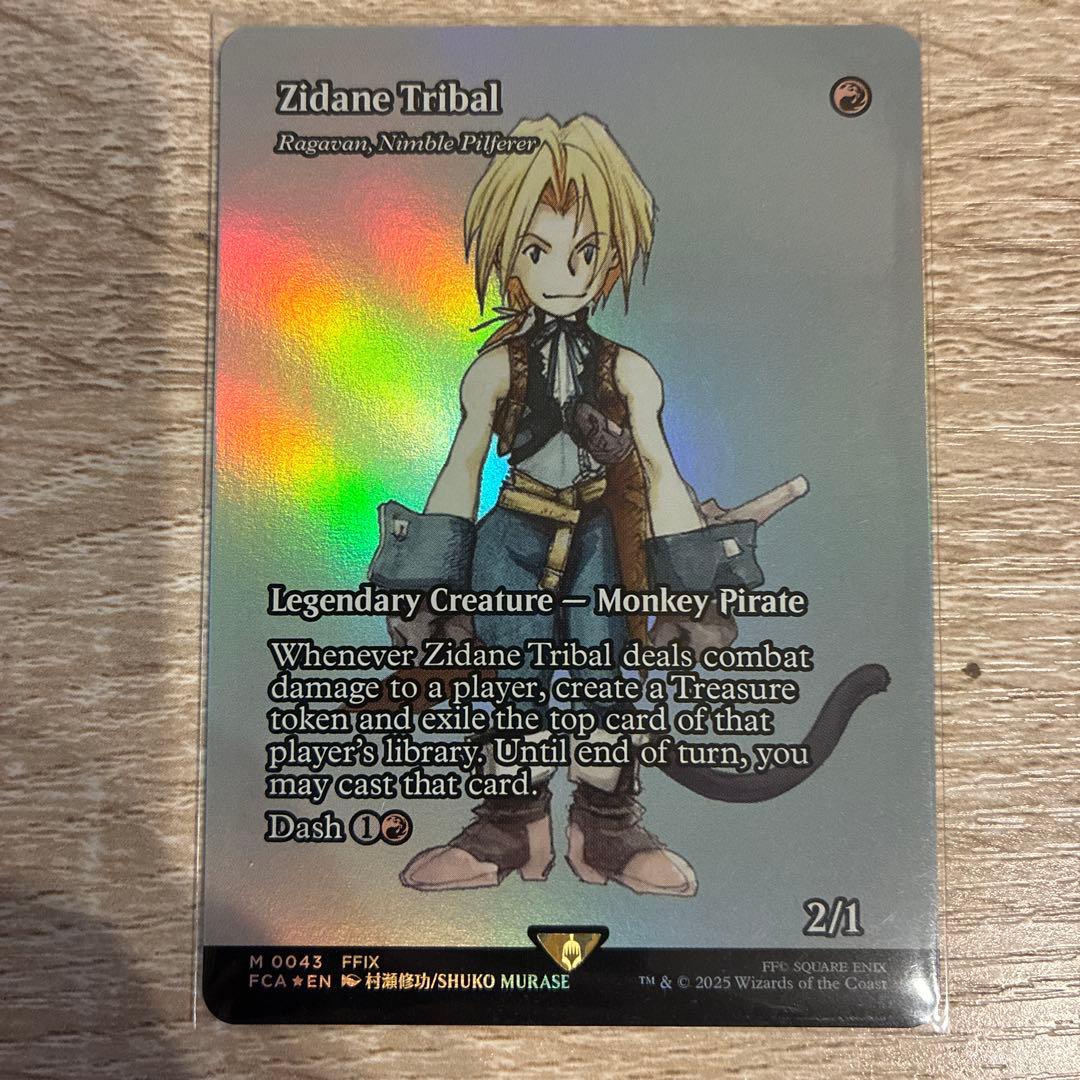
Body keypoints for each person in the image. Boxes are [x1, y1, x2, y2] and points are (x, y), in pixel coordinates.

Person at [369, 115, 764, 897]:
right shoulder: (493, 372)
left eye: (584, 253)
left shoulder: (630, 372)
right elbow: (461, 469)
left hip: (598, 540)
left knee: (602, 677)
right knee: (511, 678)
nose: (563, 273)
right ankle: (511, 831)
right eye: (539, 250)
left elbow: (659, 472)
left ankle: (605, 829)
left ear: (610, 260)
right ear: (511, 258)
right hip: (510, 536)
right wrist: (429, 580)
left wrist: (690, 582)